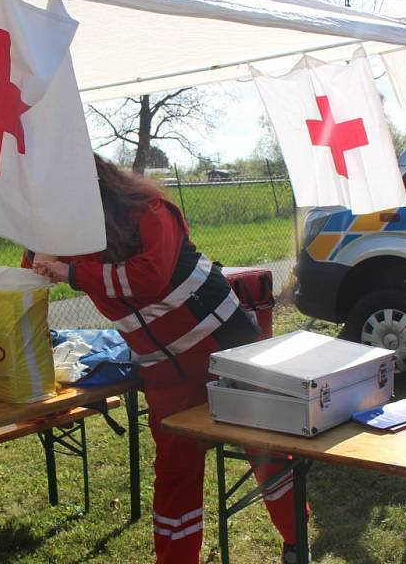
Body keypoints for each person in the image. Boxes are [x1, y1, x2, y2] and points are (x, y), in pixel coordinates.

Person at [28, 154, 306, 564]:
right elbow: (32, 272)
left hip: (227, 350)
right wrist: (33, 251)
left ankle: (297, 544)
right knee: (175, 476)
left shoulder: (151, 212)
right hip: (165, 373)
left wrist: (71, 273)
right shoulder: (68, 240)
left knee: (267, 453)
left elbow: (149, 275)